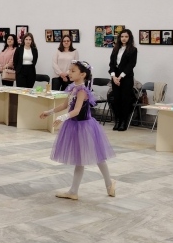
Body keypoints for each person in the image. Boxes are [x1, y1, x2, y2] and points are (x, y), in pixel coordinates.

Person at [40, 60, 116, 200]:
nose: (69, 72)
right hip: (74, 126)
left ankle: (109, 183)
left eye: (73, 71)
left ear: (82, 74)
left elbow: (76, 110)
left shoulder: (82, 91)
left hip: (85, 127)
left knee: (98, 157)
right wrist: (49, 112)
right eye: (69, 70)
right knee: (80, 159)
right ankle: (74, 191)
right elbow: (64, 105)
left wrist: (62, 118)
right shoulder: (72, 88)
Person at [109, 29, 138, 131]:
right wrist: (114, 76)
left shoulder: (133, 50)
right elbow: (111, 64)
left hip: (126, 78)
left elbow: (131, 65)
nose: (124, 38)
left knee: (125, 100)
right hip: (115, 77)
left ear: (129, 38)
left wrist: (120, 77)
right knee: (116, 100)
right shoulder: (115, 49)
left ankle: (123, 122)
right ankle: (117, 121)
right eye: (122, 36)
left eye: (126, 37)